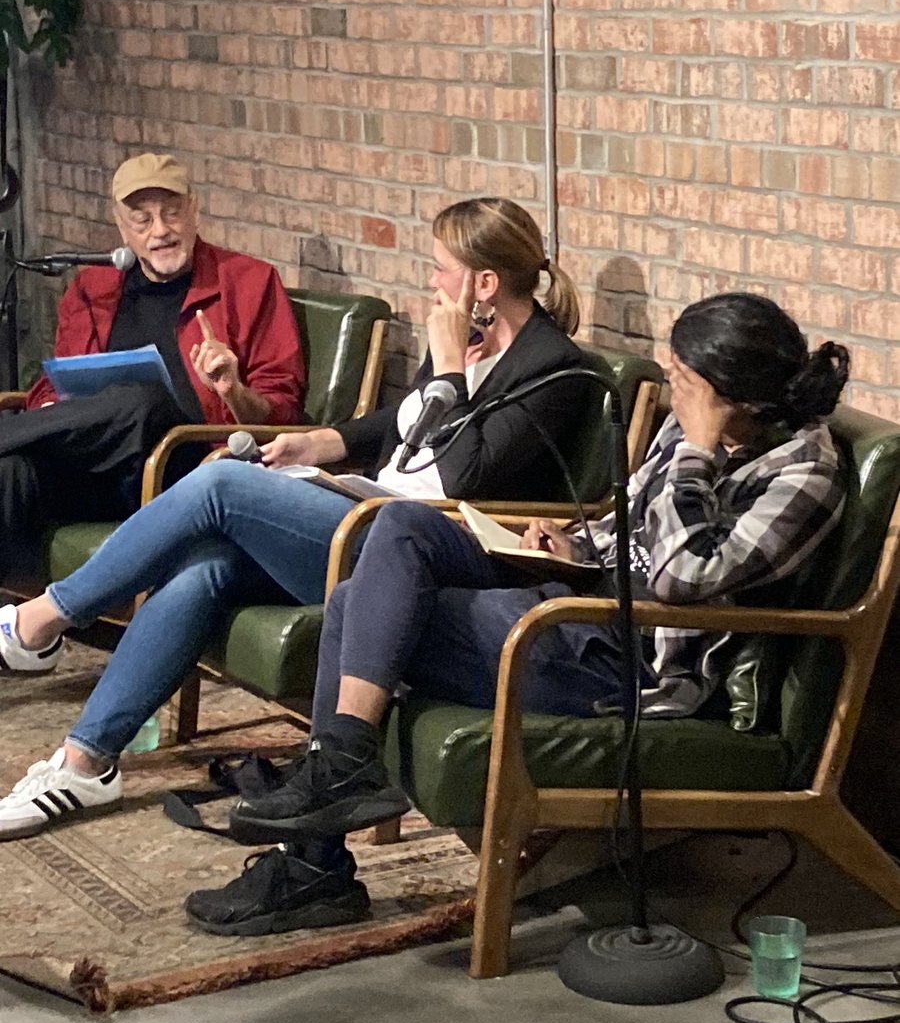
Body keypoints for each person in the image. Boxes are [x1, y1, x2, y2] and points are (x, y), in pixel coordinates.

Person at [177, 292, 850, 937]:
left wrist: (697, 455)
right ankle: (342, 773)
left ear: (735, 396)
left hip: (628, 666)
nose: (676, 397)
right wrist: (571, 544)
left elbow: (682, 577)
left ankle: (313, 862)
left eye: (684, 382)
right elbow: (629, 525)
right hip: (580, 603)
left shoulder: (803, 472)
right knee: (403, 525)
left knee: (356, 604)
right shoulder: (692, 426)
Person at [0, 197, 590, 842]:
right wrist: (319, 444)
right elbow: (403, 423)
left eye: (441, 268)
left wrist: (450, 367)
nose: (432, 281)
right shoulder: (471, 340)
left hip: (414, 552)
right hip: (362, 510)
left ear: (484, 283)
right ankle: (85, 760)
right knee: (208, 567)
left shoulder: (555, 370)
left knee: (224, 481)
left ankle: (39, 621)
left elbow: (464, 474)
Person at [0, 152, 305, 580]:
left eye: (172, 213)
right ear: (122, 228)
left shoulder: (249, 282)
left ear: (195, 210)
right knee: (10, 471)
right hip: (96, 466)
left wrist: (232, 390)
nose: (160, 230)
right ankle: (18, 637)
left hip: (187, 467)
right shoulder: (93, 289)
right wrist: (53, 410)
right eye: (142, 220)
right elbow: (55, 389)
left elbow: (284, 414)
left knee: (142, 401)